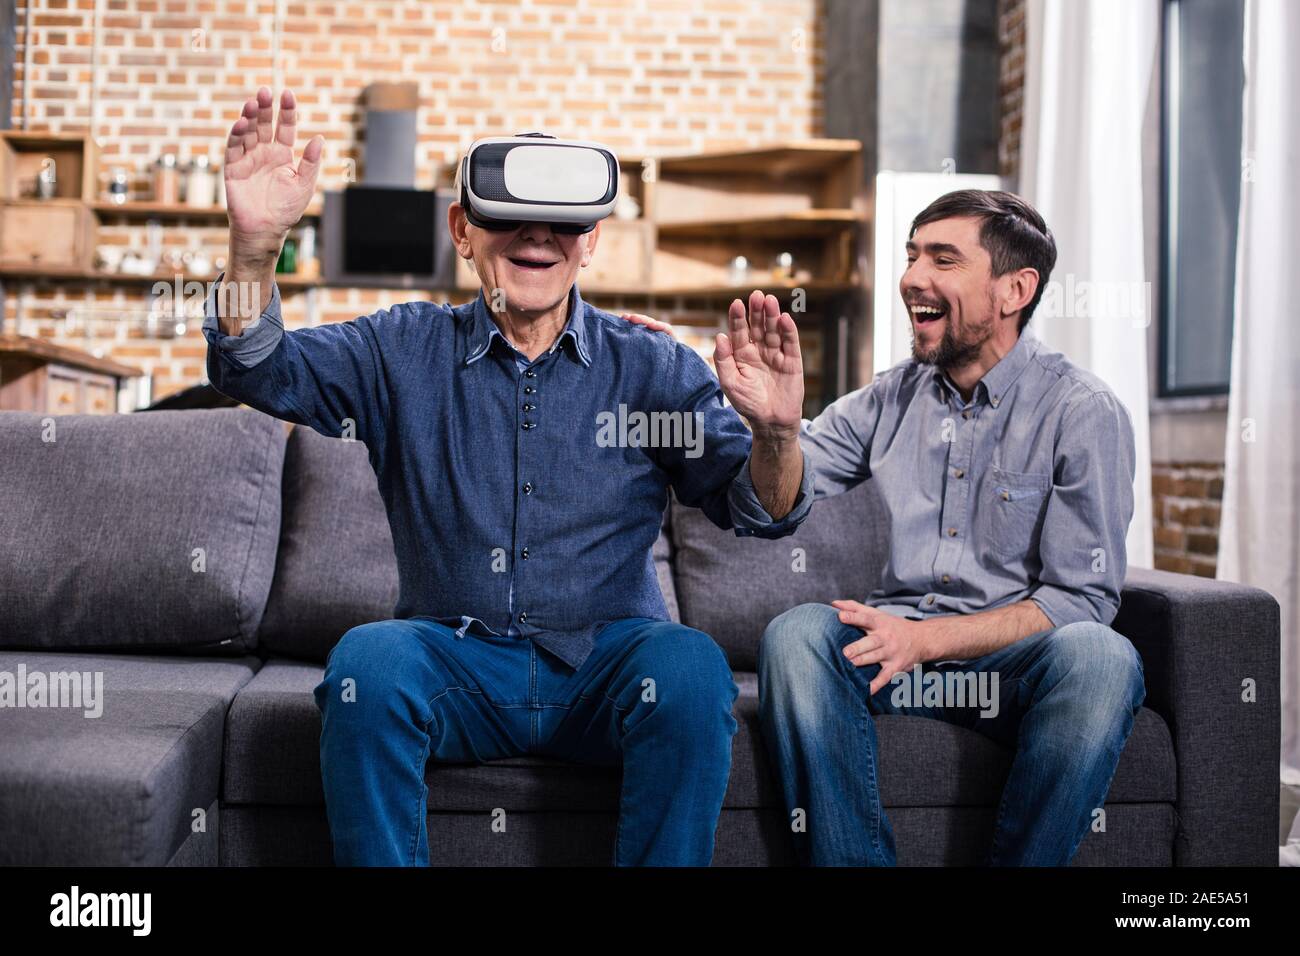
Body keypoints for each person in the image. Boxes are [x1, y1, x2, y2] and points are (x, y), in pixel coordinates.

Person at [202, 87, 810, 866]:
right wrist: (253, 251)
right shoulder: (401, 351)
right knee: (369, 662)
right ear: (463, 230)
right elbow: (260, 369)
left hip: (607, 669)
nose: (536, 237)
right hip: (458, 665)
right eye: (506, 216)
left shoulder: (652, 364)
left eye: (561, 223)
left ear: (588, 242)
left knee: (689, 666)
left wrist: (780, 433)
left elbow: (762, 509)